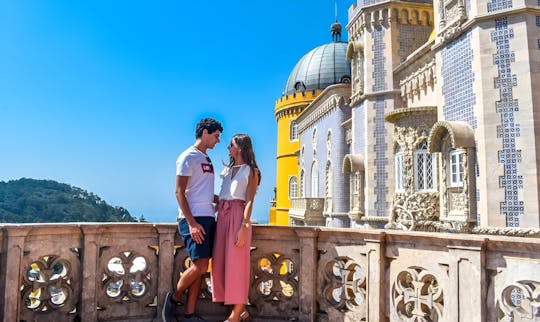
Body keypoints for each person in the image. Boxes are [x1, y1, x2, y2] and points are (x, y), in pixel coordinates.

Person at [162, 117, 223, 322]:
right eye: (216, 136)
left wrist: (221, 200)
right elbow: (179, 192)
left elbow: (200, 191)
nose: (218, 141)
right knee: (200, 267)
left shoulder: (206, 159)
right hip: (194, 219)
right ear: (205, 132)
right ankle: (174, 298)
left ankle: (189, 314)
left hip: (207, 217)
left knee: (200, 266)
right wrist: (191, 223)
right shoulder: (187, 157)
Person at [211, 134, 260, 322]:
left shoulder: (251, 171)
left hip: (238, 217)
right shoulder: (229, 169)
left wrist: (244, 225)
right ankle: (241, 311)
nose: (228, 148)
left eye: (230, 144)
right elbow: (225, 195)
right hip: (222, 216)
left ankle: (236, 314)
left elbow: (249, 200)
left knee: (237, 265)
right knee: (221, 263)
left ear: (239, 147)